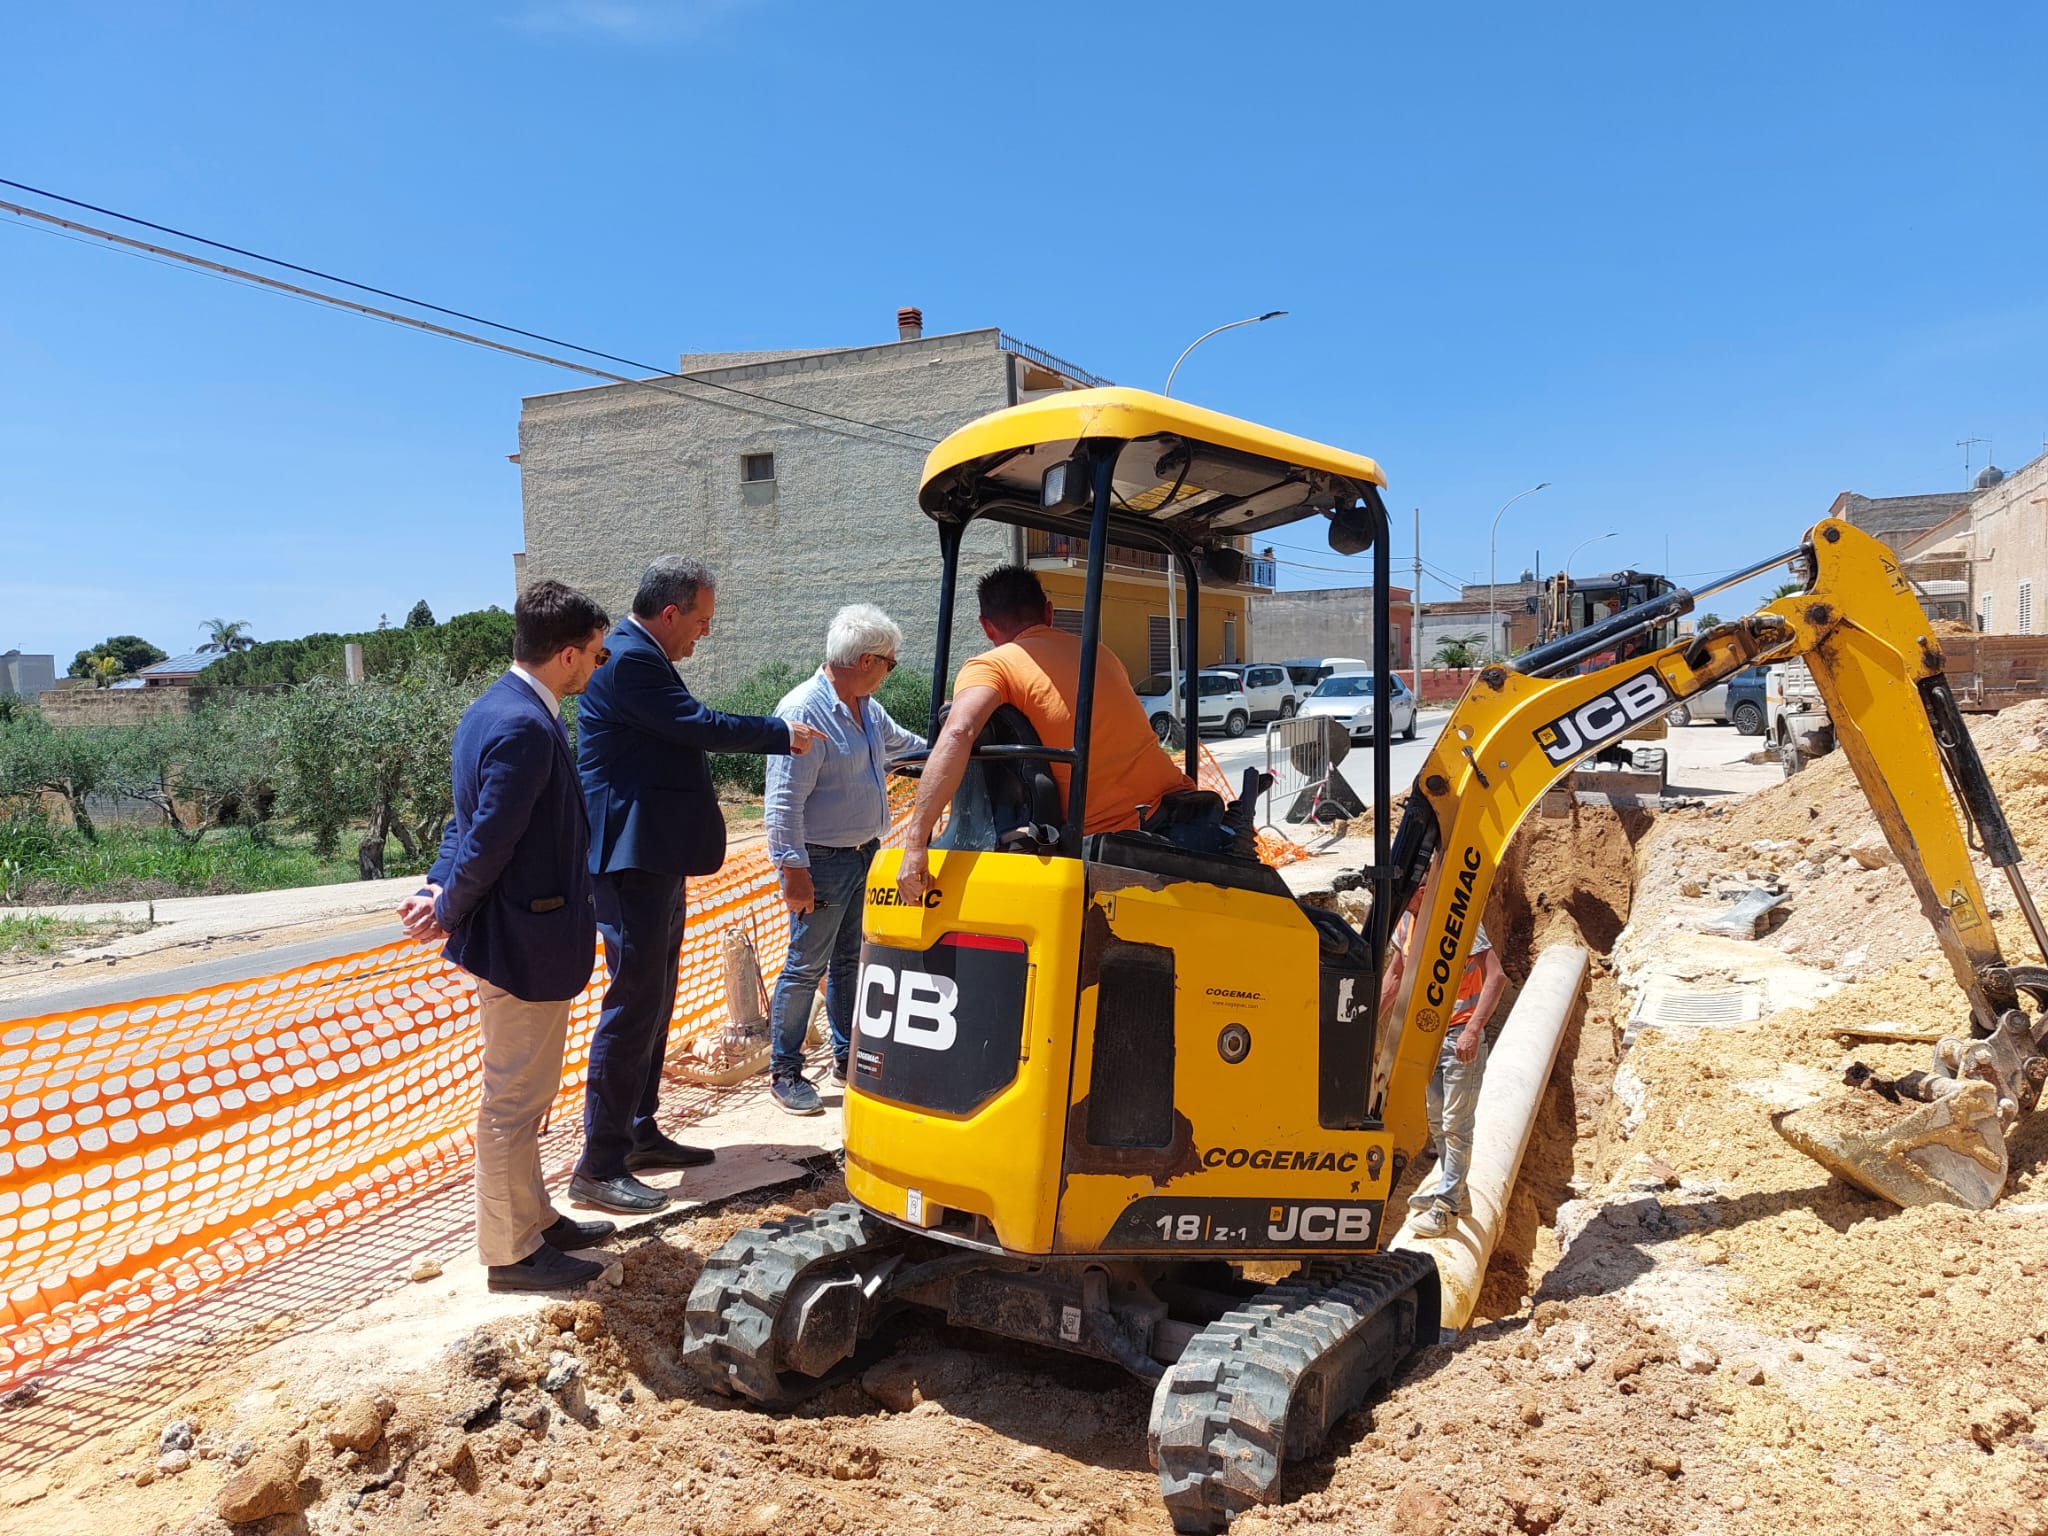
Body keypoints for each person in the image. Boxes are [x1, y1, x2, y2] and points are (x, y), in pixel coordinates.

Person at [570, 556, 822, 1215]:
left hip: (653, 856)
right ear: (672, 612)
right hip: (629, 862)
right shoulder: (630, 660)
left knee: (655, 1002)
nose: (704, 635)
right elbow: (698, 725)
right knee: (632, 1006)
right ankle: (598, 1164)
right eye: (702, 621)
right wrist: (779, 734)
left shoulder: (637, 658)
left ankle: (639, 1131)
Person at [397, 579, 617, 1293]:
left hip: (521, 941)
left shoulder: (494, 708)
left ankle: (536, 1218)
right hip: (524, 945)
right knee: (512, 1105)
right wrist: (451, 902)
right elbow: (488, 836)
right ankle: (511, 1252)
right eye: (594, 653)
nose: (600, 663)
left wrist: (437, 886)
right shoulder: (523, 723)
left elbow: (460, 822)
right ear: (564, 655)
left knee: (527, 1097)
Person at [896, 566, 1192, 903]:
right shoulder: (1100, 654)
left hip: (1107, 844)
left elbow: (959, 730)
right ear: (1048, 613)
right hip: (1177, 813)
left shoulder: (992, 666)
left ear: (986, 626)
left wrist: (916, 843)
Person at [764, 604, 927, 1113]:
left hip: (862, 856)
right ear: (864, 660)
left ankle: (844, 1055)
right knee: (804, 966)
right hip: (822, 861)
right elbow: (782, 803)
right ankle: (785, 1072)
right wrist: (794, 871)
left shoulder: (864, 707)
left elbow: (905, 748)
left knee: (850, 963)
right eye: (889, 662)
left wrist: (954, 750)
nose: (889, 671)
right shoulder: (804, 712)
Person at [1379, 883, 1508, 1239]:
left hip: (1458, 1037)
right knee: (1437, 1119)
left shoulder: (1458, 921)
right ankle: (1456, 1193)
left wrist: (1472, 1029)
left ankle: (1448, 1208)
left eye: (1415, 890)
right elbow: (1395, 974)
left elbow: (1495, 978)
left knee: (1456, 1121)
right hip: (1427, 1036)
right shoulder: (1406, 922)